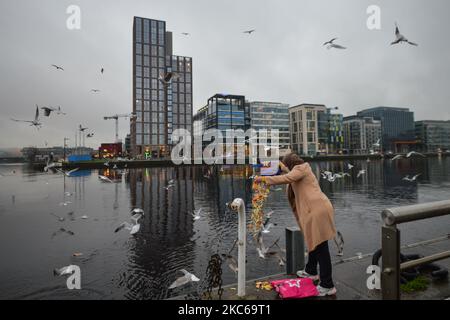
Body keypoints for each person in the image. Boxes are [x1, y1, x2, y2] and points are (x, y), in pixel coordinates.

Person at [254, 153, 337, 296]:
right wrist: (275, 166)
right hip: (314, 211)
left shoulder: (301, 169)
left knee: (321, 248)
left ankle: (327, 285)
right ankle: (311, 271)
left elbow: (287, 177)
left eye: (286, 164)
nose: (285, 167)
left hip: (318, 211)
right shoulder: (298, 170)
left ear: (291, 163)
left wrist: (263, 179)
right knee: (314, 243)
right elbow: (286, 172)